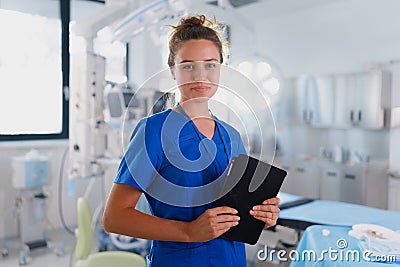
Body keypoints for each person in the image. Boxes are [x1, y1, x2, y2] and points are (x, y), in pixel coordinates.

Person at [103, 14, 280, 267]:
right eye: (188, 65)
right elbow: (115, 218)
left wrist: (262, 216)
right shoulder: (152, 131)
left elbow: (237, 213)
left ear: (221, 68)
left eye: (210, 65)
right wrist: (188, 232)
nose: (200, 75)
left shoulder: (231, 136)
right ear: (173, 71)